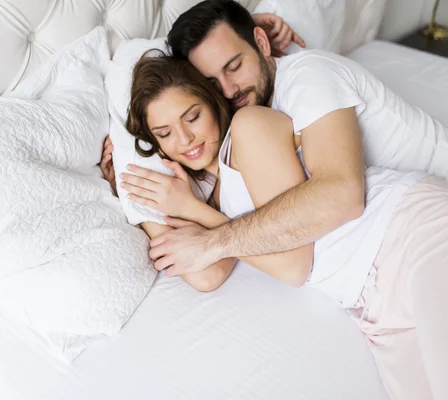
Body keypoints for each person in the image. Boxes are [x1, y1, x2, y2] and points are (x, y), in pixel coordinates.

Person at [100, 1, 448, 399]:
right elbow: (207, 273)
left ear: (261, 44)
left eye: (193, 116)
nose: (229, 90)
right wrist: (133, 196)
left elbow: (298, 257)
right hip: (369, 300)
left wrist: (202, 224)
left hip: (410, 232)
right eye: (164, 133)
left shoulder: (266, 111)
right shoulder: (216, 182)